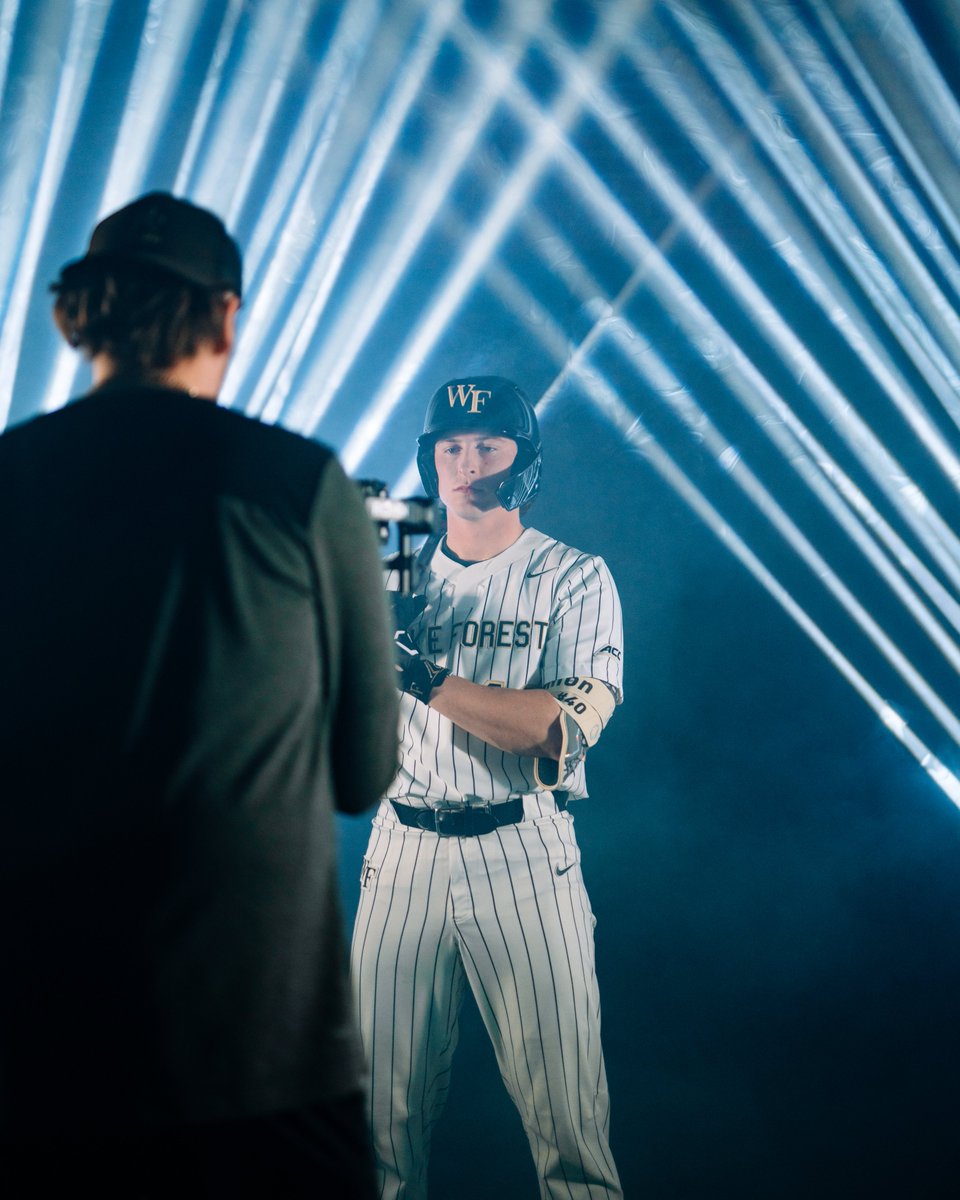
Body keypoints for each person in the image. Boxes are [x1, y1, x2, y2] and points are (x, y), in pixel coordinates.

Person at [0, 192, 399, 1197]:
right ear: (227, 316)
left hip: (34, 1059)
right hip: (259, 1072)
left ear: (81, 312)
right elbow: (365, 773)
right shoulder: (299, 484)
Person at [351, 376, 624, 1199]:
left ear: (524, 464)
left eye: (487, 446)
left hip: (522, 852)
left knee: (568, 1126)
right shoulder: (391, 559)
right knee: (375, 1126)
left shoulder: (574, 577)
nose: (466, 463)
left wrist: (421, 674)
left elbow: (557, 730)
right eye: (449, 447)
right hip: (399, 848)